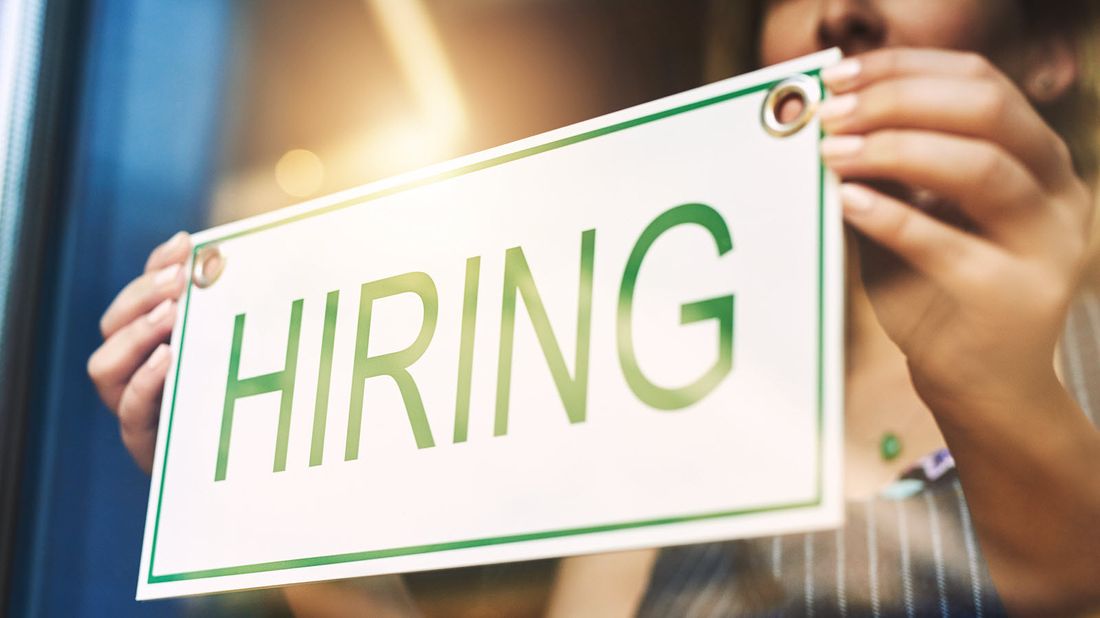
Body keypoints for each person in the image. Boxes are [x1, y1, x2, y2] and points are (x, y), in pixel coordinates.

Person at [88, 0, 1100, 615]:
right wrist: (278, 514)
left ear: (1048, 44)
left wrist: (1007, 407)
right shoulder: (682, 381)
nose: (835, 12)